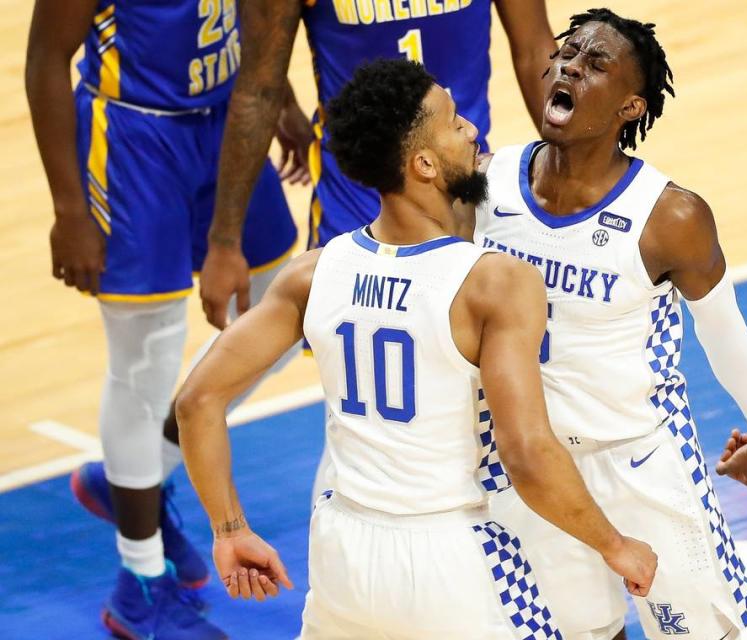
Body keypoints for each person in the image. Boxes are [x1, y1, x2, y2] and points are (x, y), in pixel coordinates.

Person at [175, 58, 658, 640]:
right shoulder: (493, 284)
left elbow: (196, 402)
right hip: (449, 557)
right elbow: (526, 452)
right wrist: (615, 545)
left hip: (342, 549)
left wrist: (229, 530)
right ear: (424, 164)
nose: (472, 131)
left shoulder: (313, 274)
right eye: (454, 123)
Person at [472, 9, 747, 640]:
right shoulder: (490, 181)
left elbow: (722, 331)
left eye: (595, 65)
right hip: (528, 461)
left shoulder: (670, 215)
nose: (568, 66)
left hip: (638, 456)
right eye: (566, 54)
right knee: (583, 633)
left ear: (630, 106)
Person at [24, 1, 308, 637]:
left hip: (227, 123)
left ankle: (137, 478)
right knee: (147, 358)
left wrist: (279, 93)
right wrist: (69, 210)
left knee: (279, 320)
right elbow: (45, 61)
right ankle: (140, 579)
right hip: (133, 140)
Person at [196, 0, 557, 329]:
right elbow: (260, 87)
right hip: (356, 205)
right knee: (361, 382)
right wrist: (225, 241)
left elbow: (534, 50)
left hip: (465, 193)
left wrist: (566, 166)